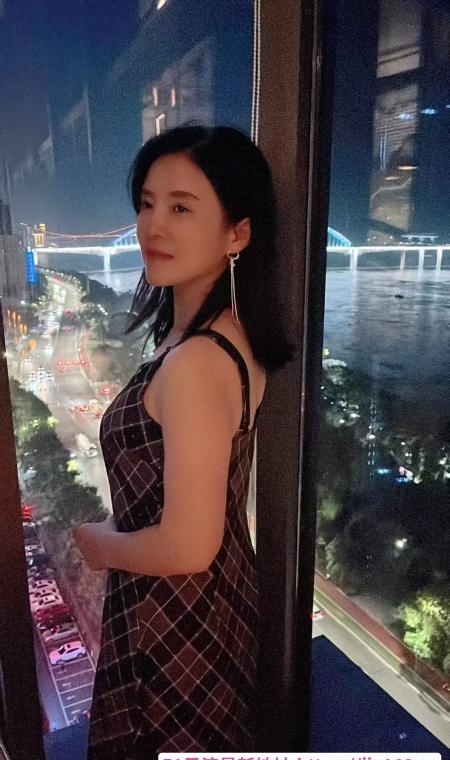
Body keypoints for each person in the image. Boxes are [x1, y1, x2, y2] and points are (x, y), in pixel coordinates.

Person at [73, 124, 293, 759]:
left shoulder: (196, 361)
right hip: (216, 609)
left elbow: (188, 546)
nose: (153, 226)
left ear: (237, 233)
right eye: (147, 204)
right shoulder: (226, 335)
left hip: (171, 623)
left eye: (181, 207)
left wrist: (99, 546)